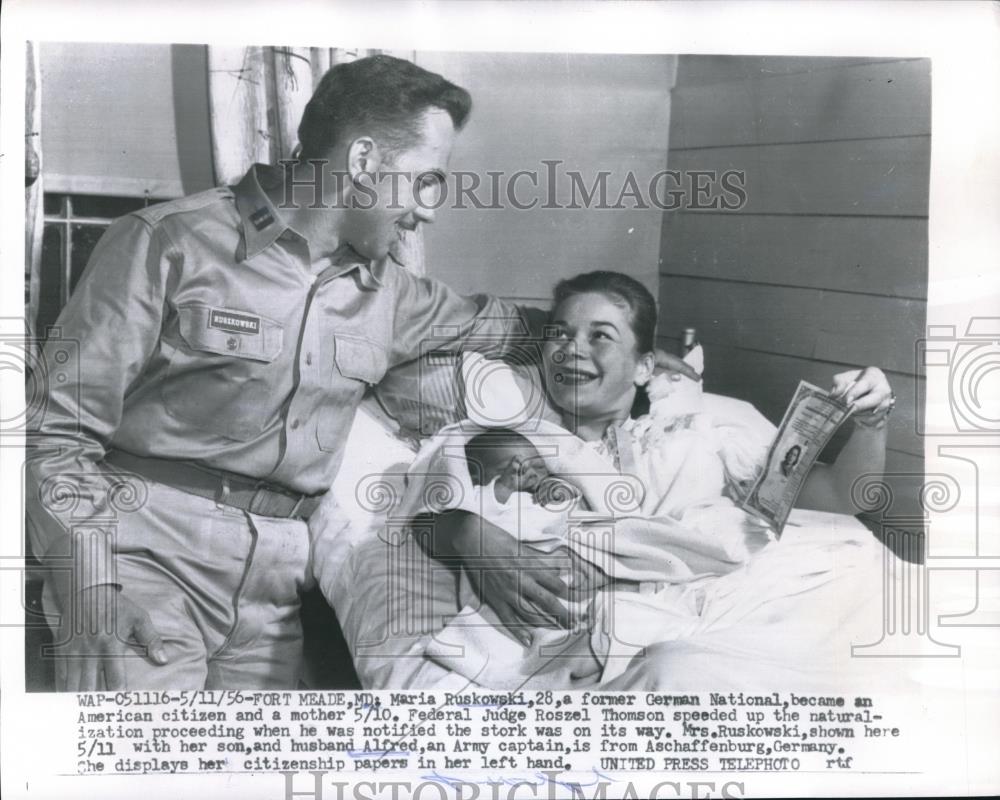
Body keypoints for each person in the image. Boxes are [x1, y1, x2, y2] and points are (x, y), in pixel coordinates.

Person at [24, 55, 700, 692]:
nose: (430, 208)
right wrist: (90, 585)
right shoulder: (164, 244)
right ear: (364, 161)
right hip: (145, 564)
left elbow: (502, 324)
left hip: (278, 593)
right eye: (428, 177)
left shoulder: (391, 293)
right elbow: (55, 435)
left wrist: (627, 350)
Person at [423, 270, 894, 685]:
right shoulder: (519, 446)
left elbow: (839, 496)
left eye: (600, 337)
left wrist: (872, 424)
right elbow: (433, 513)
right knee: (681, 672)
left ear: (646, 365)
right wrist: (467, 528)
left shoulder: (704, 425)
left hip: (764, 590)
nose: (570, 351)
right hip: (659, 624)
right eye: (559, 335)